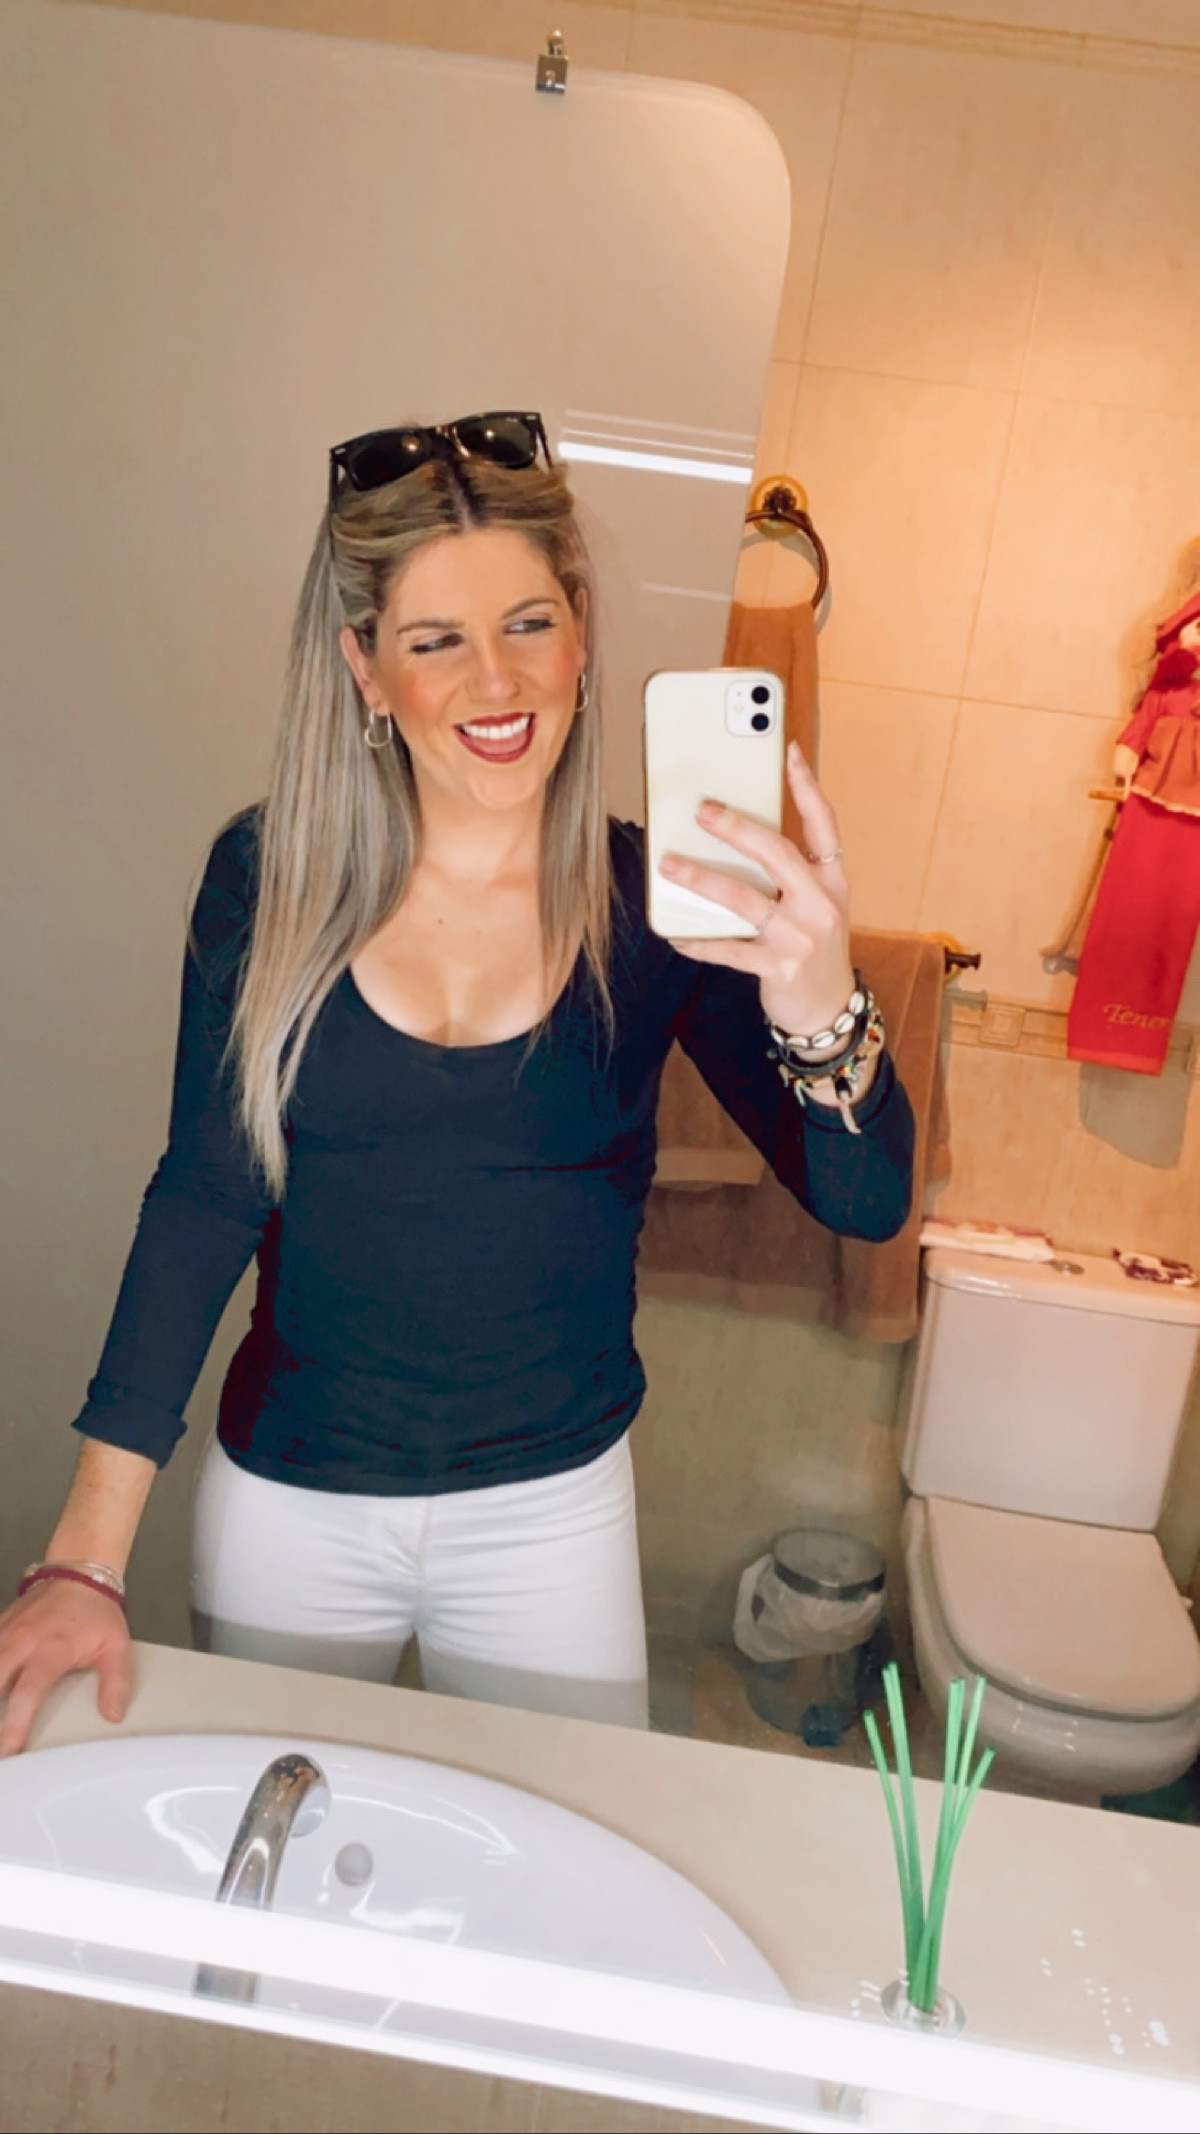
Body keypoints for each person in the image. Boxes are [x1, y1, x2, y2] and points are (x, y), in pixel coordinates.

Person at [0, 413, 914, 1756]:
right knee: (285, 1834)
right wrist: (85, 1558)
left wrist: (821, 1004)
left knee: (554, 1849)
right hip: (293, 1503)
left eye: (530, 622)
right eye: (436, 640)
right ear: (365, 669)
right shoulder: (267, 882)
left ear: (583, 634)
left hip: (551, 1515)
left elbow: (866, 1199)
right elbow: (204, 1197)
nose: (498, 680)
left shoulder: (660, 907)